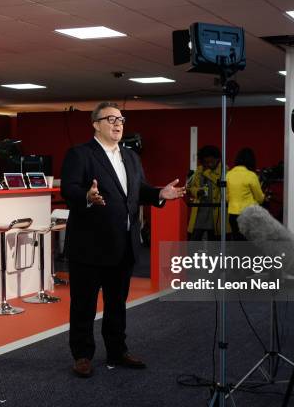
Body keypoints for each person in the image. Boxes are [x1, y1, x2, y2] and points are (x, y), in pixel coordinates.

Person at [61, 102, 186, 378]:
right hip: (89, 246)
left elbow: (138, 190)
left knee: (117, 304)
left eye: (121, 119)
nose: (118, 124)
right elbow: (69, 189)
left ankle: (117, 351)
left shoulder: (130, 157)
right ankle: (82, 355)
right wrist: (87, 196)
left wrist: (159, 195)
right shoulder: (80, 154)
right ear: (96, 124)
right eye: (111, 119)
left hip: (123, 244)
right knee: (84, 305)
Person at [187, 145, 227, 241]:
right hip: (200, 210)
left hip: (215, 211)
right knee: (194, 239)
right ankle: (192, 256)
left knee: (213, 241)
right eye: (205, 162)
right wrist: (197, 191)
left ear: (217, 159)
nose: (209, 164)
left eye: (211, 162)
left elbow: (220, 184)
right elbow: (190, 187)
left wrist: (207, 173)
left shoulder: (224, 170)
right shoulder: (199, 170)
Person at [226, 148, 265, 240]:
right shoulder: (251, 175)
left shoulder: (228, 174)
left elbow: (227, 197)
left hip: (233, 215)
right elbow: (259, 198)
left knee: (237, 241)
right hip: (249, 215)